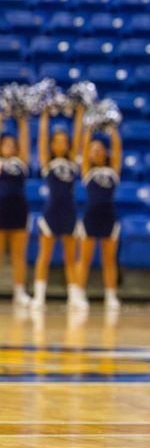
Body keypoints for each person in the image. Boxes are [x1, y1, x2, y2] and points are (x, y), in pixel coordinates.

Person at [33, 104, 83, 311]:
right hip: (51, 212)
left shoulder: (73, 162)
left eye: (64, 141)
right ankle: (38, 296)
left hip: (69, 212)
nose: (60, 144)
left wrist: (79, 113)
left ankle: (74, 296)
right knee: (44, 255)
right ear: (52, 145)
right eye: (57, 141)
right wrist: (44, 115)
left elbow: (79, 138)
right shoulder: (47, 163)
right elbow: (42, 140)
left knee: (70, 257)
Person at [76, 124, 123, 312]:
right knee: (84, 259)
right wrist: (88, 128)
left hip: (109, 218)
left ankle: (111, 295)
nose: (95, 152)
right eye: (92, 150)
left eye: (99, 149)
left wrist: (111, 128)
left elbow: (118, 149)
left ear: (105, 152)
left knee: (109, 260)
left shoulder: (113, 171)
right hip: (90, 218)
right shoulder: (87, 171)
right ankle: (79, 294)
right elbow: (84, 145)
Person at [0, 113, 31, 307]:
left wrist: (22, 118)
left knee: (19, 254)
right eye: (6, 144)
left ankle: (19, 292)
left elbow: (26, 139)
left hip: (18, 211)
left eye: (13, 144)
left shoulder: (22, 163)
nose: (10, 147)